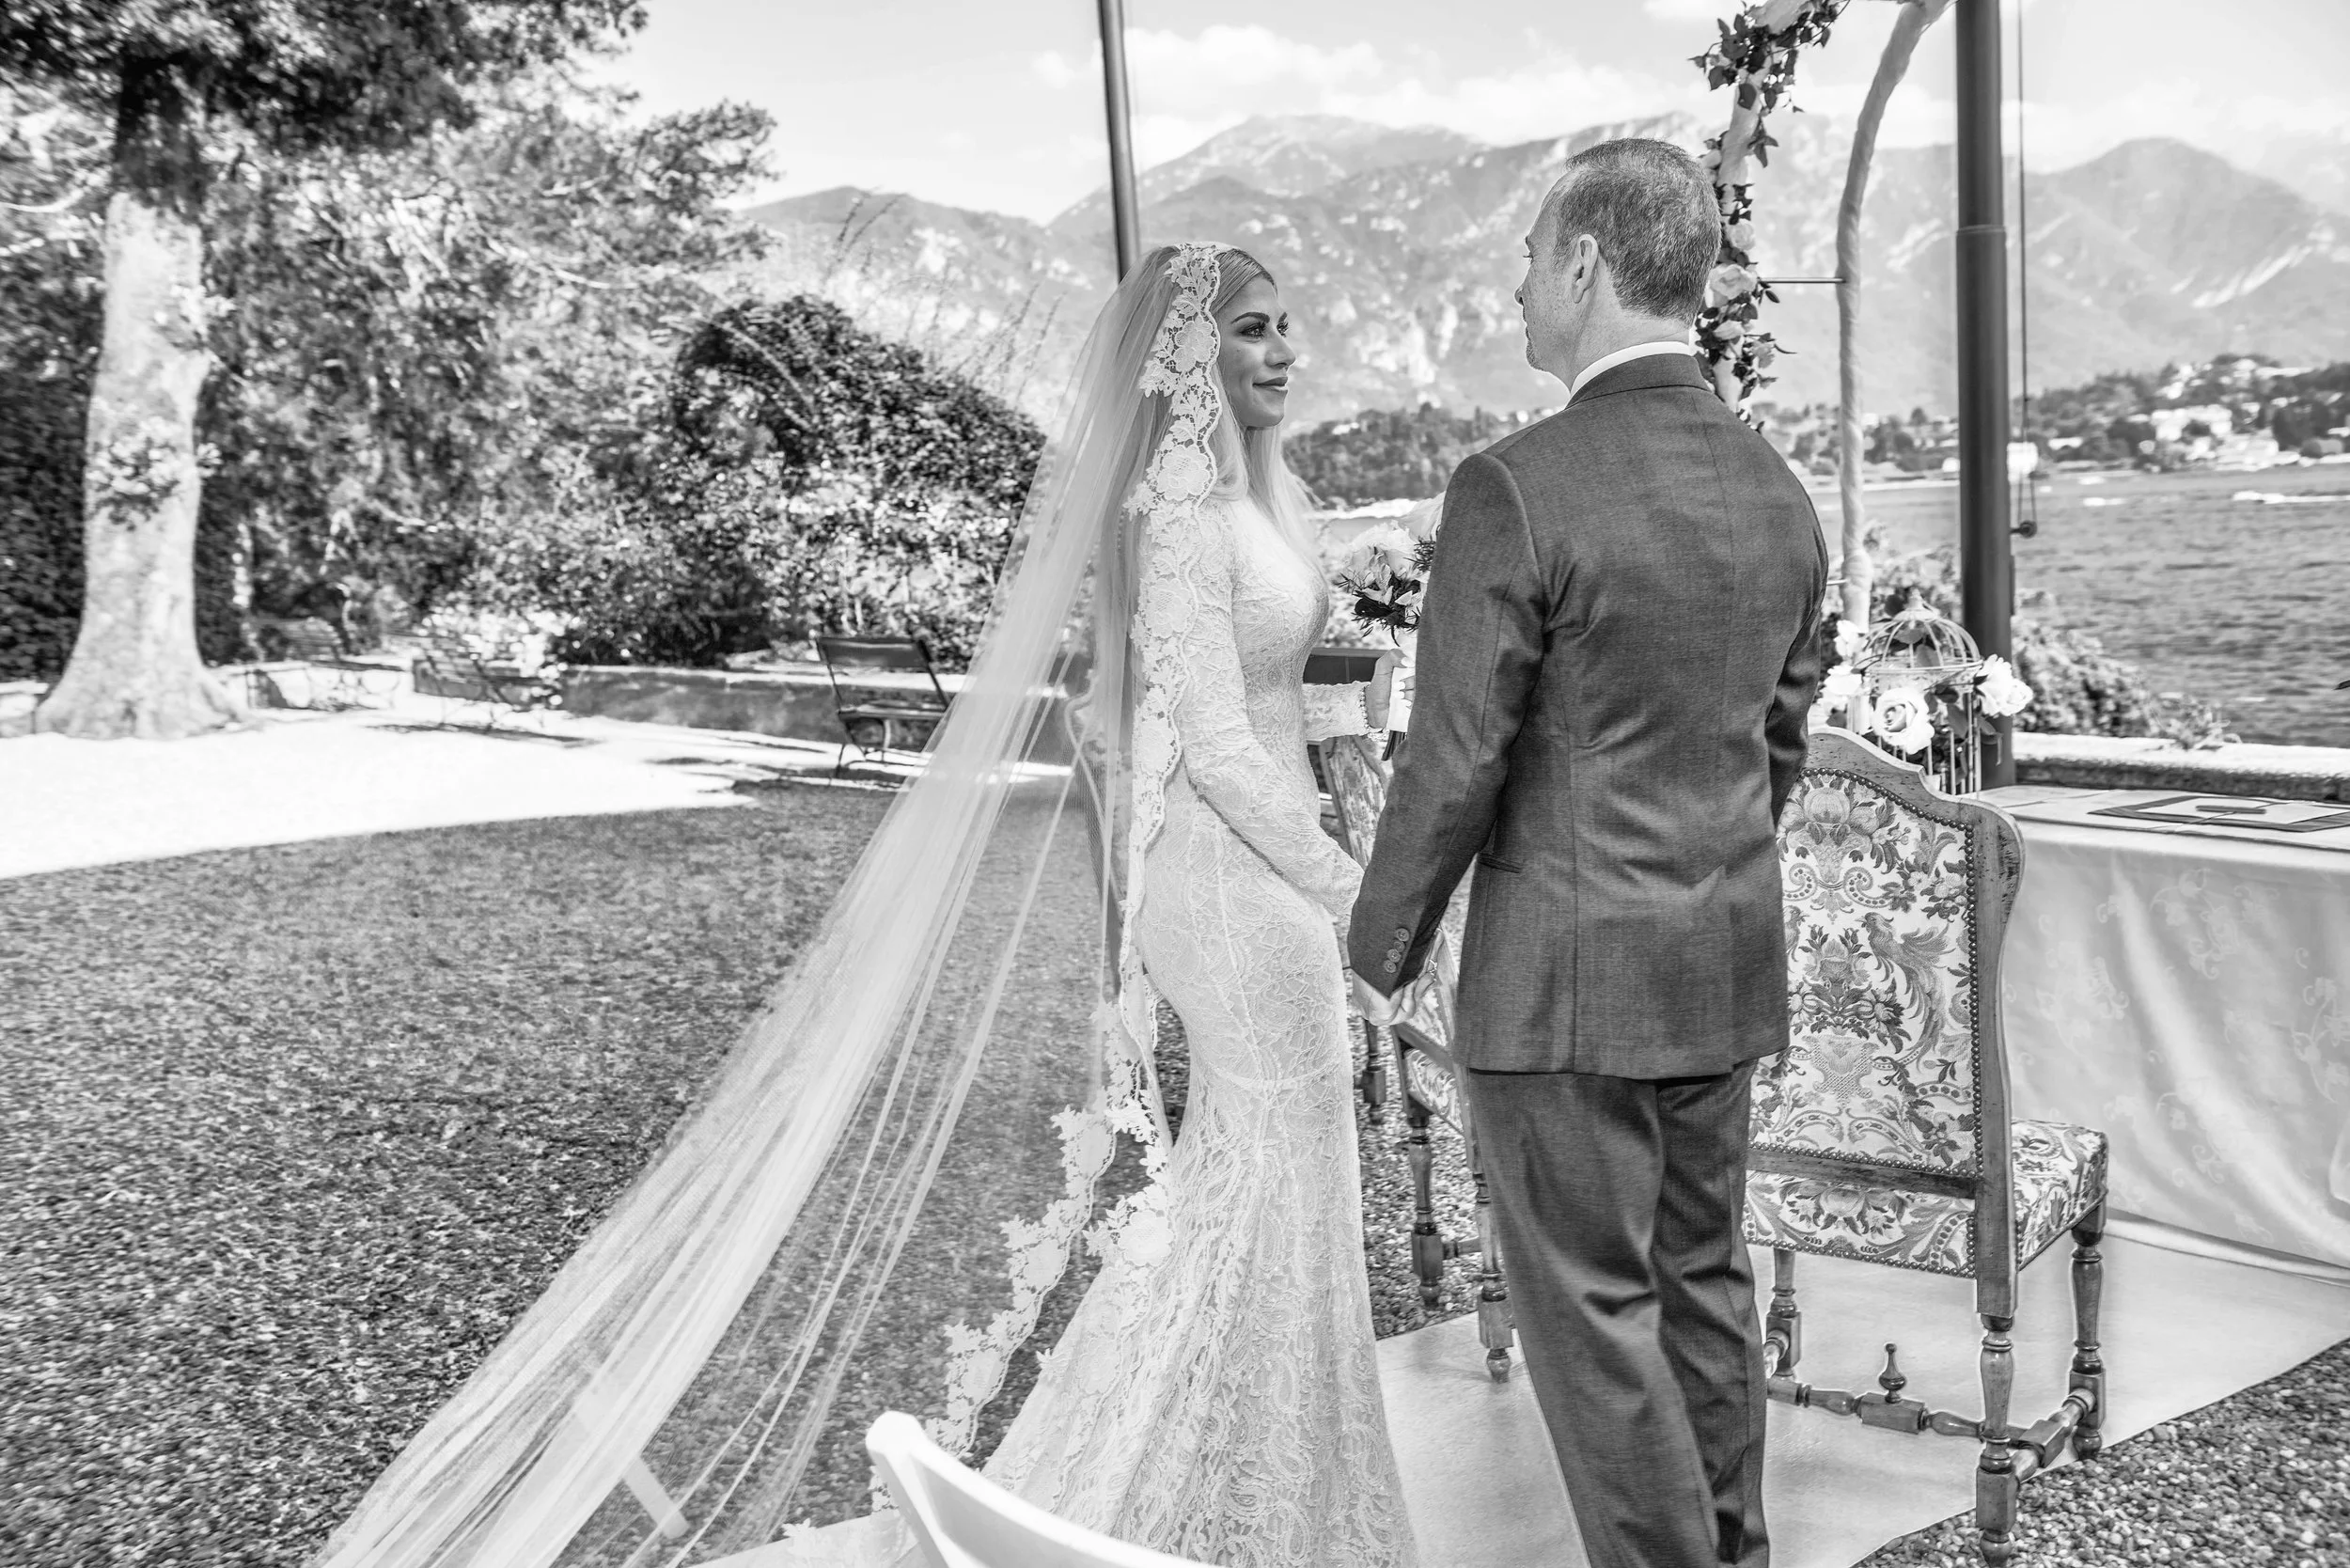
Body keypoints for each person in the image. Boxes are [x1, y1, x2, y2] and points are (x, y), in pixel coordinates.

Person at [309, 243, 1416, 1568]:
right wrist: (1359, 895)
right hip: (1239, 898)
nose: (1280, 350)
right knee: (1272, 1190)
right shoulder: (1181, 517)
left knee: (1267, 1191)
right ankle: (1203, 1499)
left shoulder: (1240, 509)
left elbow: (1251, 705)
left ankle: (1255, 1491)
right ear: (1187, 359)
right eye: (1249, 328)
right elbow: (1223, 747)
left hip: (1242, 882)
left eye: (1286, 323)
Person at [1349, 138, 1828, 1568]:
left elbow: (1452, 762)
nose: (1515, 289)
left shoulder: (1515, 486)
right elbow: (1776, 747)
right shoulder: (1777, 488)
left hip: (1563, 986)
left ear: (1582, 265)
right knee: (1702, 1288)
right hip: (1719, 961)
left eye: (1526, 262)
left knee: (1594, 1323)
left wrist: (1378, 950)